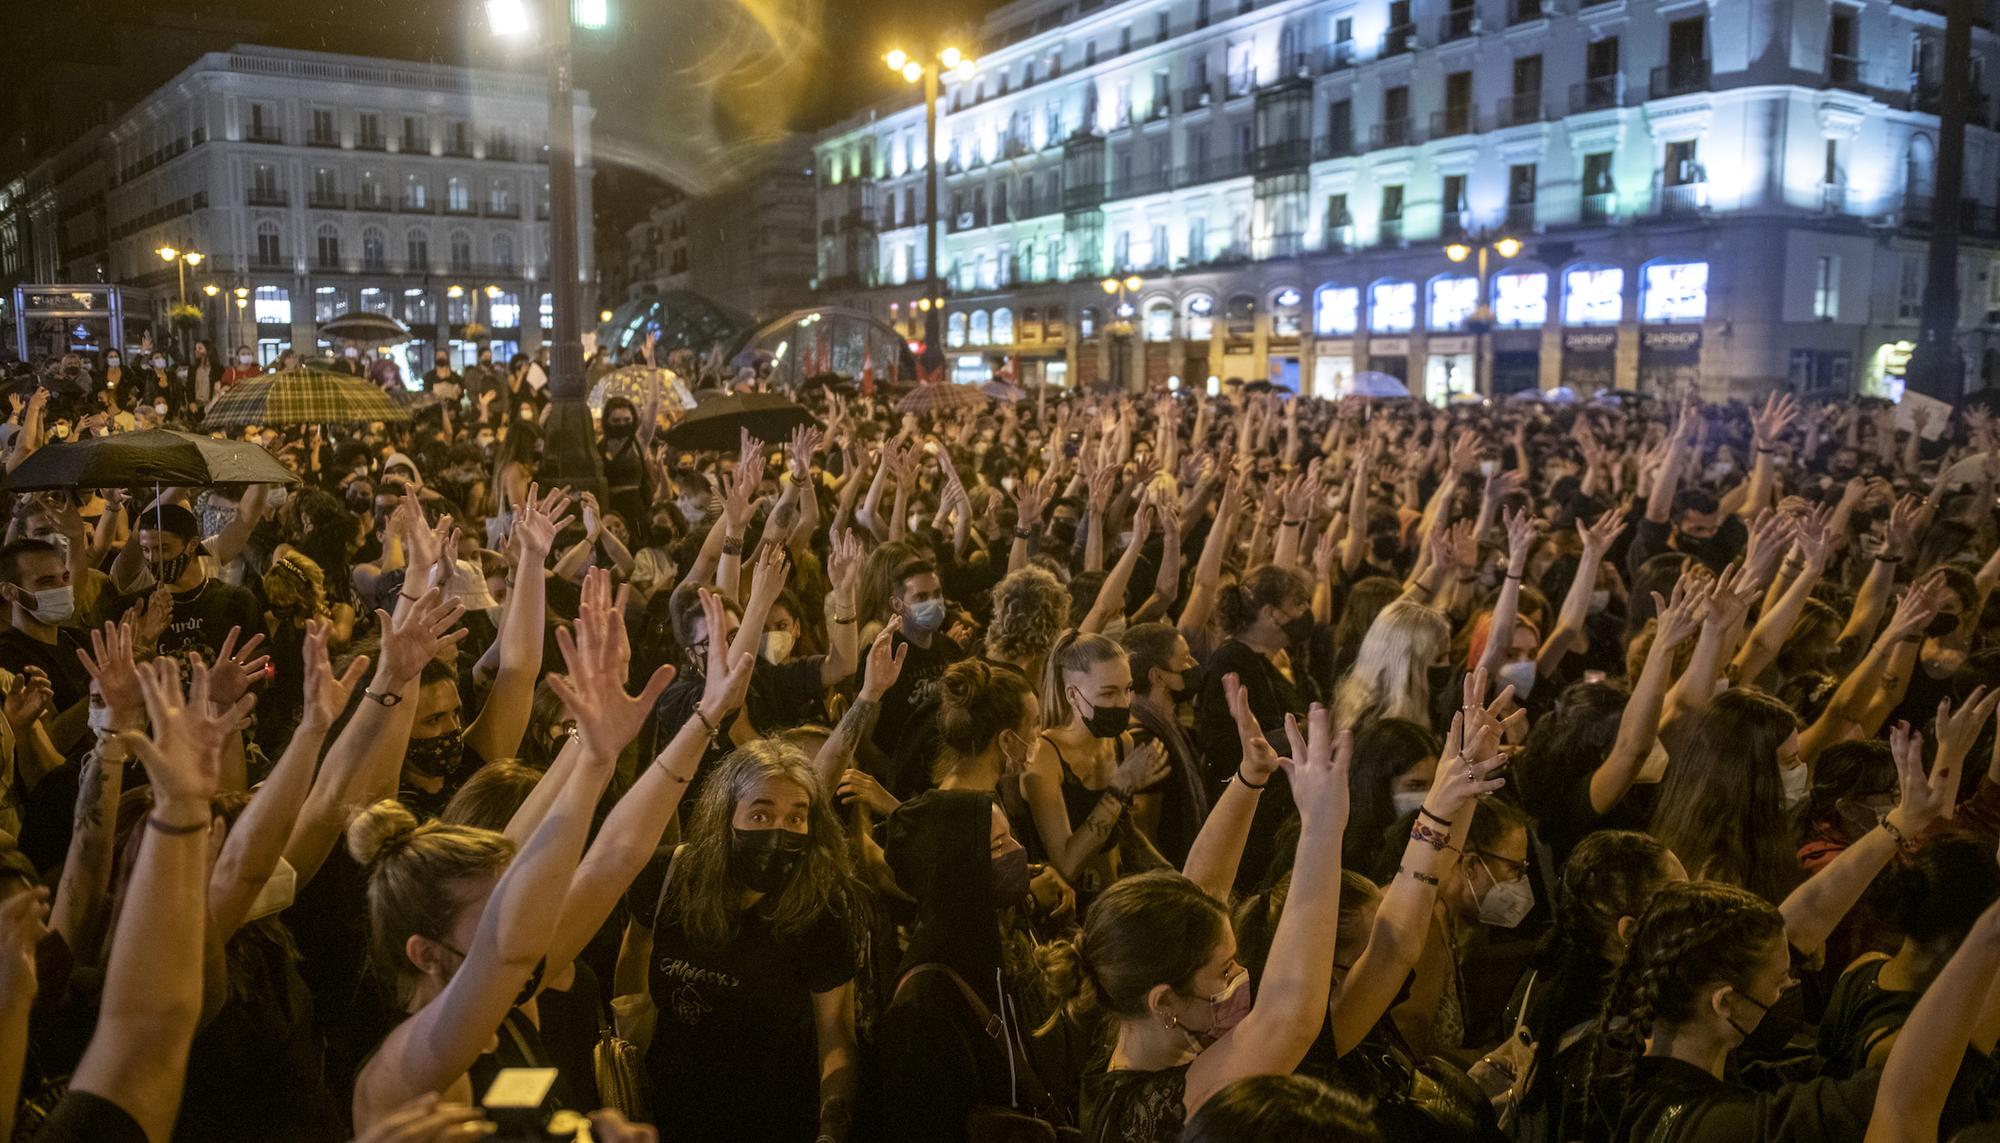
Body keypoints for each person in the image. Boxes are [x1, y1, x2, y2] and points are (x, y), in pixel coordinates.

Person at [1041, 702, 1348, 1141]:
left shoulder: (1131, 1016)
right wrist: (1321, 828)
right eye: (1224, 970)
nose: (1241, 976)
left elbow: (1200, 890)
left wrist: (1250, 777)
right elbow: (1289, 1020)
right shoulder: (1163, 1107)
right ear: (1163, 1002)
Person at [623, 738, 863, 1143]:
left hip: (774, 1120)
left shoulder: (821, 909)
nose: (777, 832)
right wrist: (628, 1050)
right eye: (760, 815)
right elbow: (634, 952)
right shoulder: (668, 877)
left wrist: (831, 1131)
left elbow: (835, 1030)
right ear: (725, 816)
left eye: (795, 818)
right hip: (666, 1115)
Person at [1024, 631, 1170, 898]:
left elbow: (1124, 832)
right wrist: (1120, 787)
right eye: (1108, 693)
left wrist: (1170, 877)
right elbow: (1066, 865)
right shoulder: (1045, 756)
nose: (1123, 703)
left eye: (1127, 689)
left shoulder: (1121, 743)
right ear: (1073, 695)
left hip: (1111, 896)